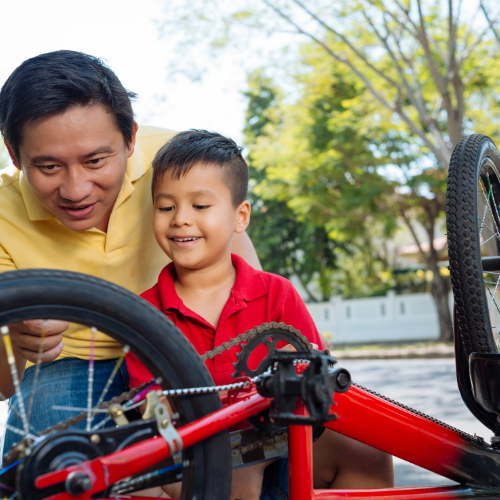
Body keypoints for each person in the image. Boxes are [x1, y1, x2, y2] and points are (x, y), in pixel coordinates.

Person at [0, 50, 260, 456]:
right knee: (48, 456)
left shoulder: (181, 161)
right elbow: (3, 384)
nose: (76, 189)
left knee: (354, 449)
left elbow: (251, 294)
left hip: (190, 349)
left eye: (96, 160)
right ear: (15, 156)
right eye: (49, 167)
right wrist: (16, 344)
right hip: (68, 369)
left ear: (131, 138)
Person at [125, 130, 394, 499]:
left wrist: (255, 452)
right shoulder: (144, 312)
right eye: (165, 206)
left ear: (241, 217)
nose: (180, 219)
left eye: (200, 206)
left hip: (281, 452)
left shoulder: (276, 293)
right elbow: (151, 416)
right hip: (190, 462)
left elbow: (317, 388)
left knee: (368, 450)